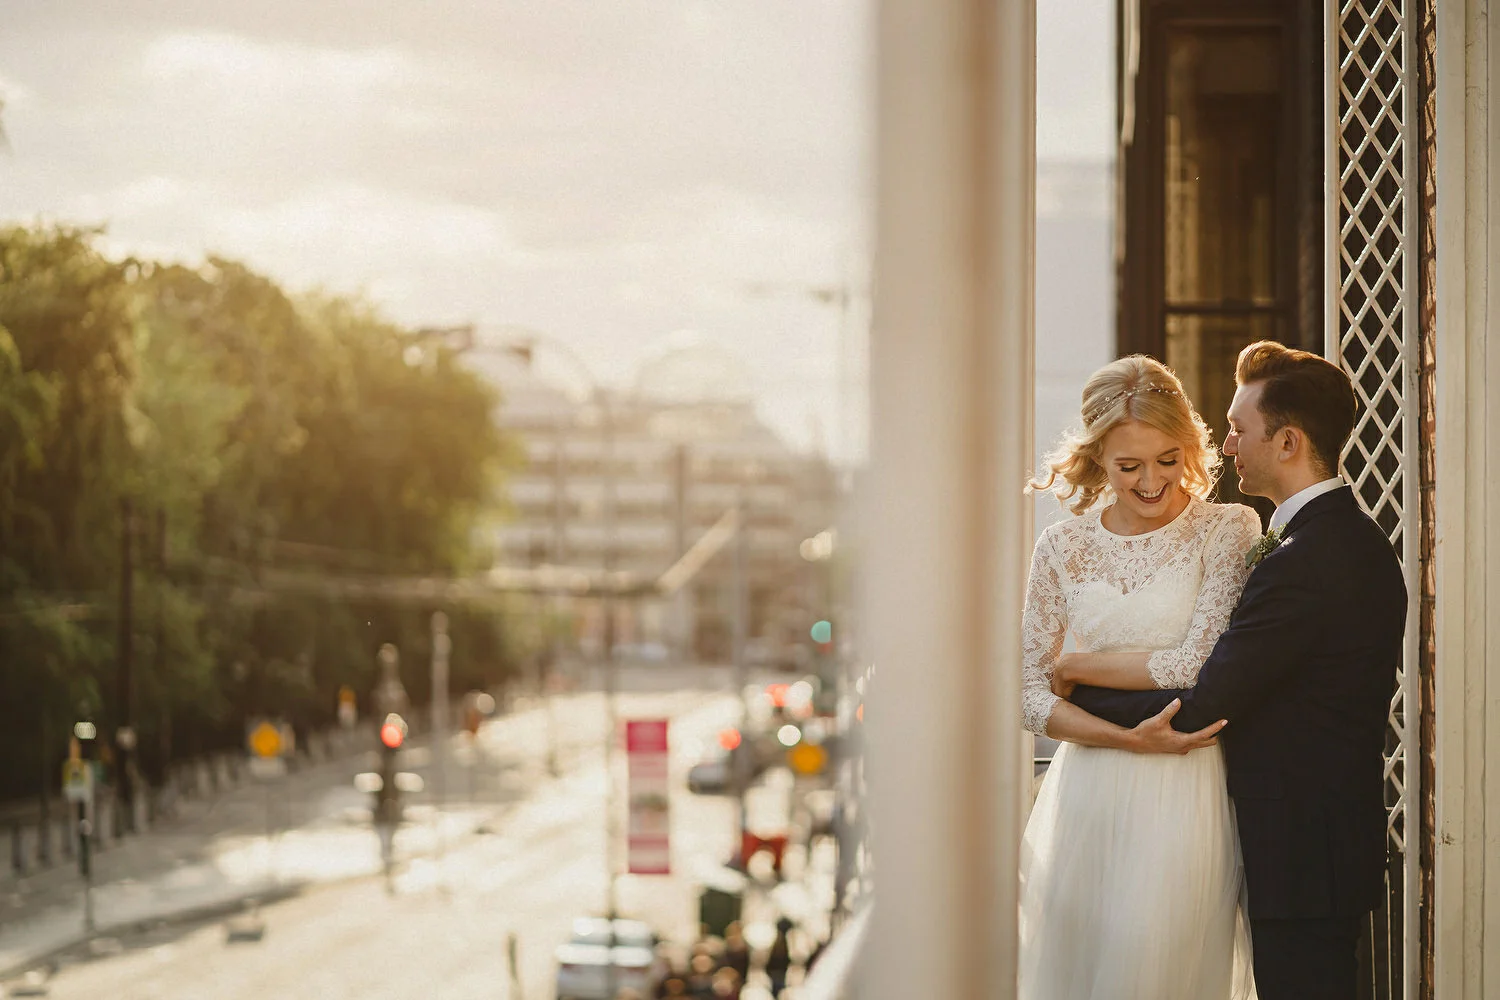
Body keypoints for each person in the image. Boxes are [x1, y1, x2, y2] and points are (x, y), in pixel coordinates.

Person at [1066, 342, 1406, 1000]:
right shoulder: (1330, 541)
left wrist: (1077, 694)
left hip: (1303, 856)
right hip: (1309, 851)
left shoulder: (1310, 559)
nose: (1225, 447)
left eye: (1238, 429)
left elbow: (1208, 701)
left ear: (1287, 442)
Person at [1018, 354, 1262, 999]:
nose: (1152, 481)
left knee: (1158, 960)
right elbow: (1023, 695)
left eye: (1167, 460)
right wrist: (1128, 739)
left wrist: (1072, 665)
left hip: (1184, 787)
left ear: (1189, 448)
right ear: (1098, 459)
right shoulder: (1061, 548)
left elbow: (1195, 664)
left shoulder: (1227, 529)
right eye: (1129, 466)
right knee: (1082, 968)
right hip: (1087, 794)